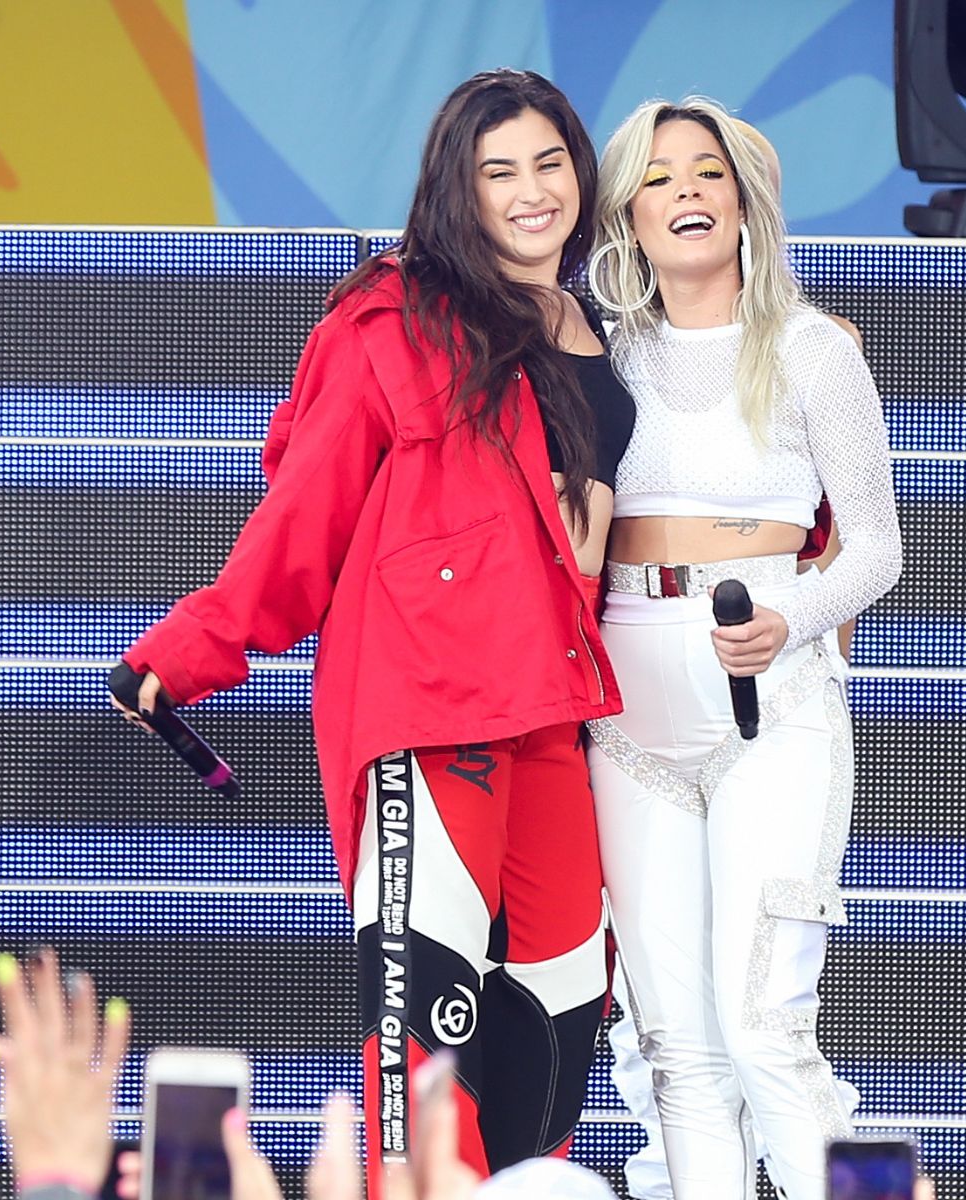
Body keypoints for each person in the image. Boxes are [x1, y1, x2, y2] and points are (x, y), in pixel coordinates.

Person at [108, 69, 629, 1183]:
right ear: (457, 191)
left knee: (559, 1017)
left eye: (549, 163)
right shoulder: (391, 321)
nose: (532, 192)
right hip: (433, 704)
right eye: (499, 173)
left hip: (558, 713)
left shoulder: (594, 320)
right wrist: (191, 648)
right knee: (430, 1035)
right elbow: (306, 515)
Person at [584, 97, 902, 1198]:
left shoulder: (814, 349)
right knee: (674, 1046)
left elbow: (877, 548)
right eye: (660, 176)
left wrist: (793, 619)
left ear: (744, 198)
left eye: (707, 172)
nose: (686, 192)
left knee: (766, 1022)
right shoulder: (602, 358)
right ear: (626, 210)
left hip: (777, 694)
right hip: (626, 717)